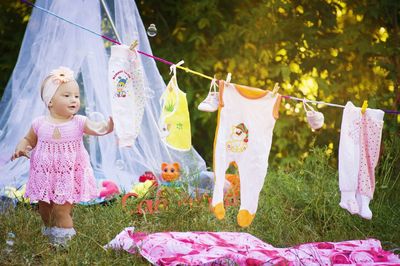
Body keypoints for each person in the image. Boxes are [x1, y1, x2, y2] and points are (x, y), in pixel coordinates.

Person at [11, 66, 114, 247]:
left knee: (61, 210)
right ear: (50, 101)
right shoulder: (39, 123)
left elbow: (98, 128)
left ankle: (64, 243)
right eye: (67, 96)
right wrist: (21, 147)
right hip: (45, 176)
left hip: (67, 176)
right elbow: (28, 139)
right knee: (44, 208)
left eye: (76, 95)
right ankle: (50, 233)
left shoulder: (79, 122)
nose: (74, 99)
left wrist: (107, 127)